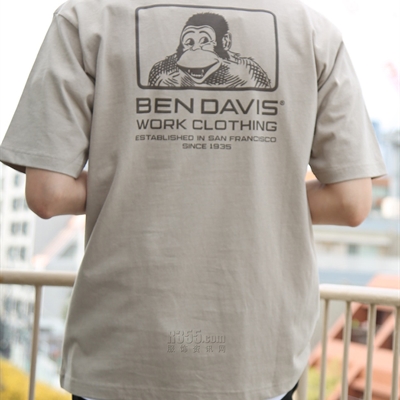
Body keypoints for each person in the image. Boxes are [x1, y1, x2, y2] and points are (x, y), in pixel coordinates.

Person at [0, 0, 386, 399]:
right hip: (256, 352)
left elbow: (48, 194)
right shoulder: (312, 32)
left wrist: (135, 183)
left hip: (121, 346)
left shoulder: (86, 19)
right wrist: (262, 192)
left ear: (224, 45)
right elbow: (351, 202)